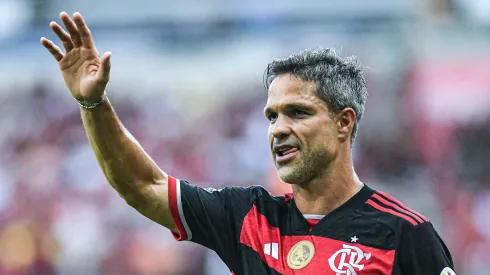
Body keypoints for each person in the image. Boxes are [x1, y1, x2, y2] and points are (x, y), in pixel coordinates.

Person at [40, 12, 455, 275]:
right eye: (272, 116)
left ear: (343, 122)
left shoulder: (405, 234)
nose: (277, 128)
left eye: (298, 112)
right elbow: (142, 186)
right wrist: (92, 103)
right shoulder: (249, 216)